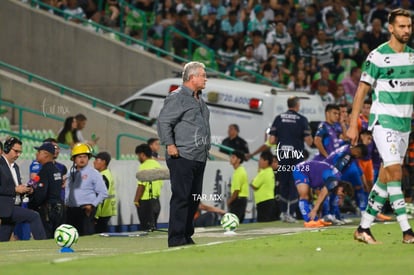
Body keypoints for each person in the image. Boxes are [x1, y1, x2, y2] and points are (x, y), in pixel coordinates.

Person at [347, 8, 414, 244]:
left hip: (404, 125)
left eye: (409, 26)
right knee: (395, 171)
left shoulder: (412, 57)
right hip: (382, 122)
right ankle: (407, 231)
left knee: (386, 177)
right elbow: (361, 91)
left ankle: (363, 228)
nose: (407, 30)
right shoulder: (377, 56)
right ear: (391, 28)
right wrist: (353, 124)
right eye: (402, 26)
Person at [157, 61, 211, 247]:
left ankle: (187, 235)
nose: (205, 79)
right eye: (203, 75)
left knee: (194, 199)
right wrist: (170, 145)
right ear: (192, 77)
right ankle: (176, 238)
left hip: (199, 156)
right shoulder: (177, 97)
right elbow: (164, 122)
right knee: (181, 197)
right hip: (182, 156)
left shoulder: (199, 100)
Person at [268, 96, 313, 223]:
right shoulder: (302, 120)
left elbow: (271, 140)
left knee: (283, 183)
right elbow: (309, 141)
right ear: (297, 105)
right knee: (295, 183)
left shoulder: (278, 118)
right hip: (296, 155)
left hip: (282, 154)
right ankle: (291, 212)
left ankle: (283, 213)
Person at [0, 137, 46, 241]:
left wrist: (26, 190)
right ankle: (43, 244)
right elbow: (13, 188)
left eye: (20, 152)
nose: (18, 155)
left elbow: (16, 186)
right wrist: (15, 190)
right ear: (6, 148)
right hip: (5, 207)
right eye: (16, 151)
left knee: (2, 240)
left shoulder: (15, 166)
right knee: (34, 216)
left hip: (12, 207)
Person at [65, 143, 108, 236]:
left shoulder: (94, 173)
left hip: (86, 210)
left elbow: (103, 193)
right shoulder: (70, 172)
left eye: (85, 157)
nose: (82, 159)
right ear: (74, 159)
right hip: (71, 210)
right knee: (72, 236)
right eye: (79, 157)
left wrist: (92, 205)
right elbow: (68, 189)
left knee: (87, 236)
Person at [293, 160, 348, 228]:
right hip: (302, 169)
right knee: (304, 196)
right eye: (341, 195)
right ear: (341, 188)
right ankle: (309, 221)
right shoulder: (334, 181)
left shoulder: (335, 181)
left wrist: (318, 210)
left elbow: (323, 197)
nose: (340, 196)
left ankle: (314, 219)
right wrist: (314, 210)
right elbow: (322, 194)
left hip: (312, 173)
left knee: (311, 198)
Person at [28, 142, 63, 239]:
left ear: (45, 155)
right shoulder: (56, 170)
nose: (36, 154)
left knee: (46, 238)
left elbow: (41, 194)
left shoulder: (44, 171)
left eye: (38, 152)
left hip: (48, 211)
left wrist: (31, 204)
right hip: (58, 209)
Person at [133, 144, 164, 231]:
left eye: (138, 155)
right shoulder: (157, 165)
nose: (138, 158)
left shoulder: (144, 166)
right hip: (156, 201)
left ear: (142, 154)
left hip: (146, 202)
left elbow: (141, 185)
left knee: (146, 228)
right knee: (153, 228)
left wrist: (136, 200)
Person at [93, 151, 117, 233]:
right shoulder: (107, 173)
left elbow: (101, 197)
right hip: (106, 211)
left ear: (103, 162)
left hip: (101, 213)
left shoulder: (102, 176)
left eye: (97, 160)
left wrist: (95, 216)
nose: (94, 162)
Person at [250, 150, 277, 222]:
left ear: (266, 161)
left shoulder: (264, 173)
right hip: (269, 199)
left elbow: (254, 185)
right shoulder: (270, 171)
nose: (259, 162)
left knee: (262, 222)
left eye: (261, 159)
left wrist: (251, 182)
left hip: (264, 201)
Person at [227, 151, 248, 223]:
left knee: (233, 223)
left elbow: (236, 191)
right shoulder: (240, 170)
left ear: (239, 160)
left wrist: (230, 201)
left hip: (238, 200)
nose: (231, 159)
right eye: (231, 157)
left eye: (233, 157)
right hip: (242, 200)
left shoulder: (238, 172)